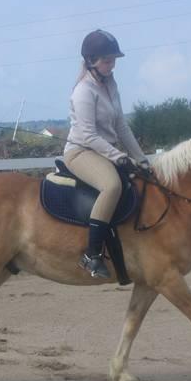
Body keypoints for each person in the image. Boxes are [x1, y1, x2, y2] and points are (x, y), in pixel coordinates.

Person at [63, 29, 150, 279]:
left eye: (114, 60)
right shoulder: (83, 92)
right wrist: (119, 157)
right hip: (81, 152)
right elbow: (89, 136)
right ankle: (91, 254)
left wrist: (141, 159)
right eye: (107, 60)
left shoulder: (110, 84)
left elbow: (121, 126)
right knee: (112, 186)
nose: (112, 65)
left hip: (104, 152)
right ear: (91, 61)